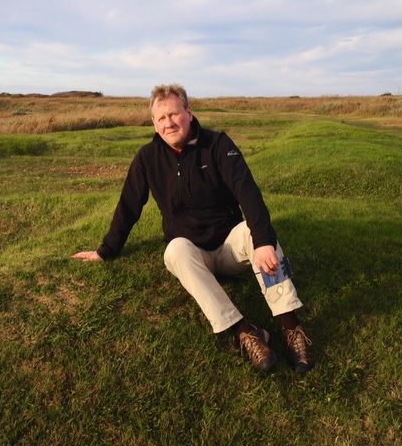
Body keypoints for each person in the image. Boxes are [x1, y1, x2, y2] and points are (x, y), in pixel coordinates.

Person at [72, 84, 313, 373]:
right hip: (193, 256)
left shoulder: (218, 145)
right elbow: (128, 206)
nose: (168, 122)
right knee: (174, 250)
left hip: (228, 248)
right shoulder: (147, 158)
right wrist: (106, 251)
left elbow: (247, 191)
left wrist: (262, 242)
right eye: (161, 118)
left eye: (174, 114)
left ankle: (290, 327)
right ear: (153, 123)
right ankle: (245, 331)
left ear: (189, 113)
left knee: (260, 235)